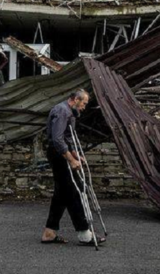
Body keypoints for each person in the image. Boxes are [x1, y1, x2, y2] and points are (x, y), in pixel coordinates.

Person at [40, 89, 105, 246]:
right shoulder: (62, 111)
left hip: (63, 153)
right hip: (58, 154)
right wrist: (70, 159)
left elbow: (68, 137)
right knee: (74, 190)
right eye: (83, 103)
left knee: (62, 193)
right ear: (75, 99)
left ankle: (49, 232)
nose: (84, 107)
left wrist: (76, 154)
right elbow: (57, 139)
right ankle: (84, 233)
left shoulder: (71, 112)